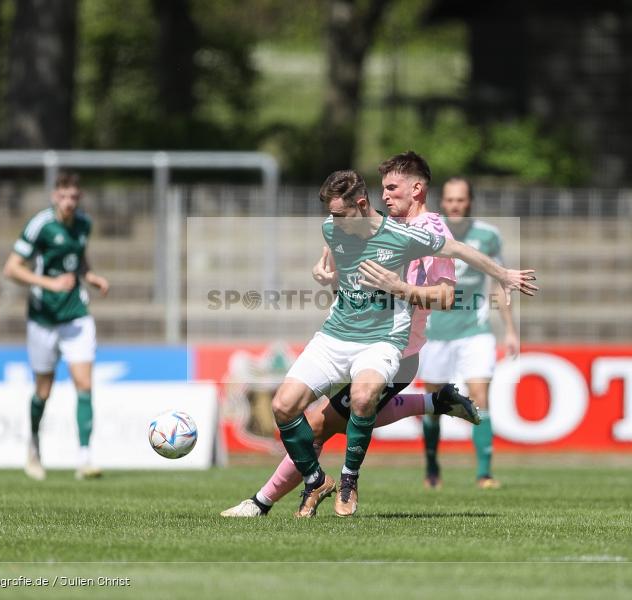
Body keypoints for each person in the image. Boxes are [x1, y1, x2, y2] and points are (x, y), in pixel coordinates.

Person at [221, 151, 478, 517]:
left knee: (319, 425)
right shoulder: (379, 226)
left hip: (397, 348)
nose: (385, 196)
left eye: (392, 187)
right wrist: (334, 277)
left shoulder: (430, 232)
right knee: (323, 420)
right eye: (383, 188)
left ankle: (268, 501)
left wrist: (401, 289)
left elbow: (447, 297)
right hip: (357, 341)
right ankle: (435, 403)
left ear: (417, 189)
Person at [271, 166, 537, 518]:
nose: (331, 221)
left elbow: (456, 253)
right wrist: (325, 275)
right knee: (288, 408)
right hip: (338, 336)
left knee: (357, 404)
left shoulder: (406, 235)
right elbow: (344, 276)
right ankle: (315, 480)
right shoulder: (334, 229)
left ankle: (346, 482)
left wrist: (503, 274)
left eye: (338, 214)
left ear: (361, 204)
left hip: (390, 341)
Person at [3, 171, 110, 481]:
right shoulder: (41, 226)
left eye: (74, 198)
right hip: (43, 318)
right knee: (43, 391)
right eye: (63, 197)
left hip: (76, 314)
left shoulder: (84, 224)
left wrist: (91, 277)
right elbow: (11, 269)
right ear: (54, 197)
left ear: (79, 198)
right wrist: (48, 283)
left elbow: (78, 260)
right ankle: (34, 449)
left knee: (84, 385)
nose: (68, 203)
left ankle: (85, 459)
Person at [419, 178, 519, 490]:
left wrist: (511, 330)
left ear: (470, 201)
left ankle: (484, 474)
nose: (455, 206)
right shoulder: (427, 235)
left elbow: (499, 282)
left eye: (460, 200)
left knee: (480, 397)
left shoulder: (488, 236)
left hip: (475, 331)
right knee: (433, 404)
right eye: (449, 200)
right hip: (435, 333)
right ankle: (432, 466)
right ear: (442, 203)